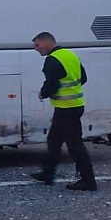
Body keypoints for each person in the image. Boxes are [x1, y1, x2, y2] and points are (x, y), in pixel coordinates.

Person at [29, 32, 97, 191]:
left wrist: (42, 93)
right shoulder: (70, 55)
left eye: (37, 45)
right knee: (54, 140)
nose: (36, 49)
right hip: (74, 105)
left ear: (47, 42)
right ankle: (48, 173)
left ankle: (88, 180)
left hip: (67, 108)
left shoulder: (52, 60)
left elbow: (51, 85)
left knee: (74, 145)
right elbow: (83, 78)